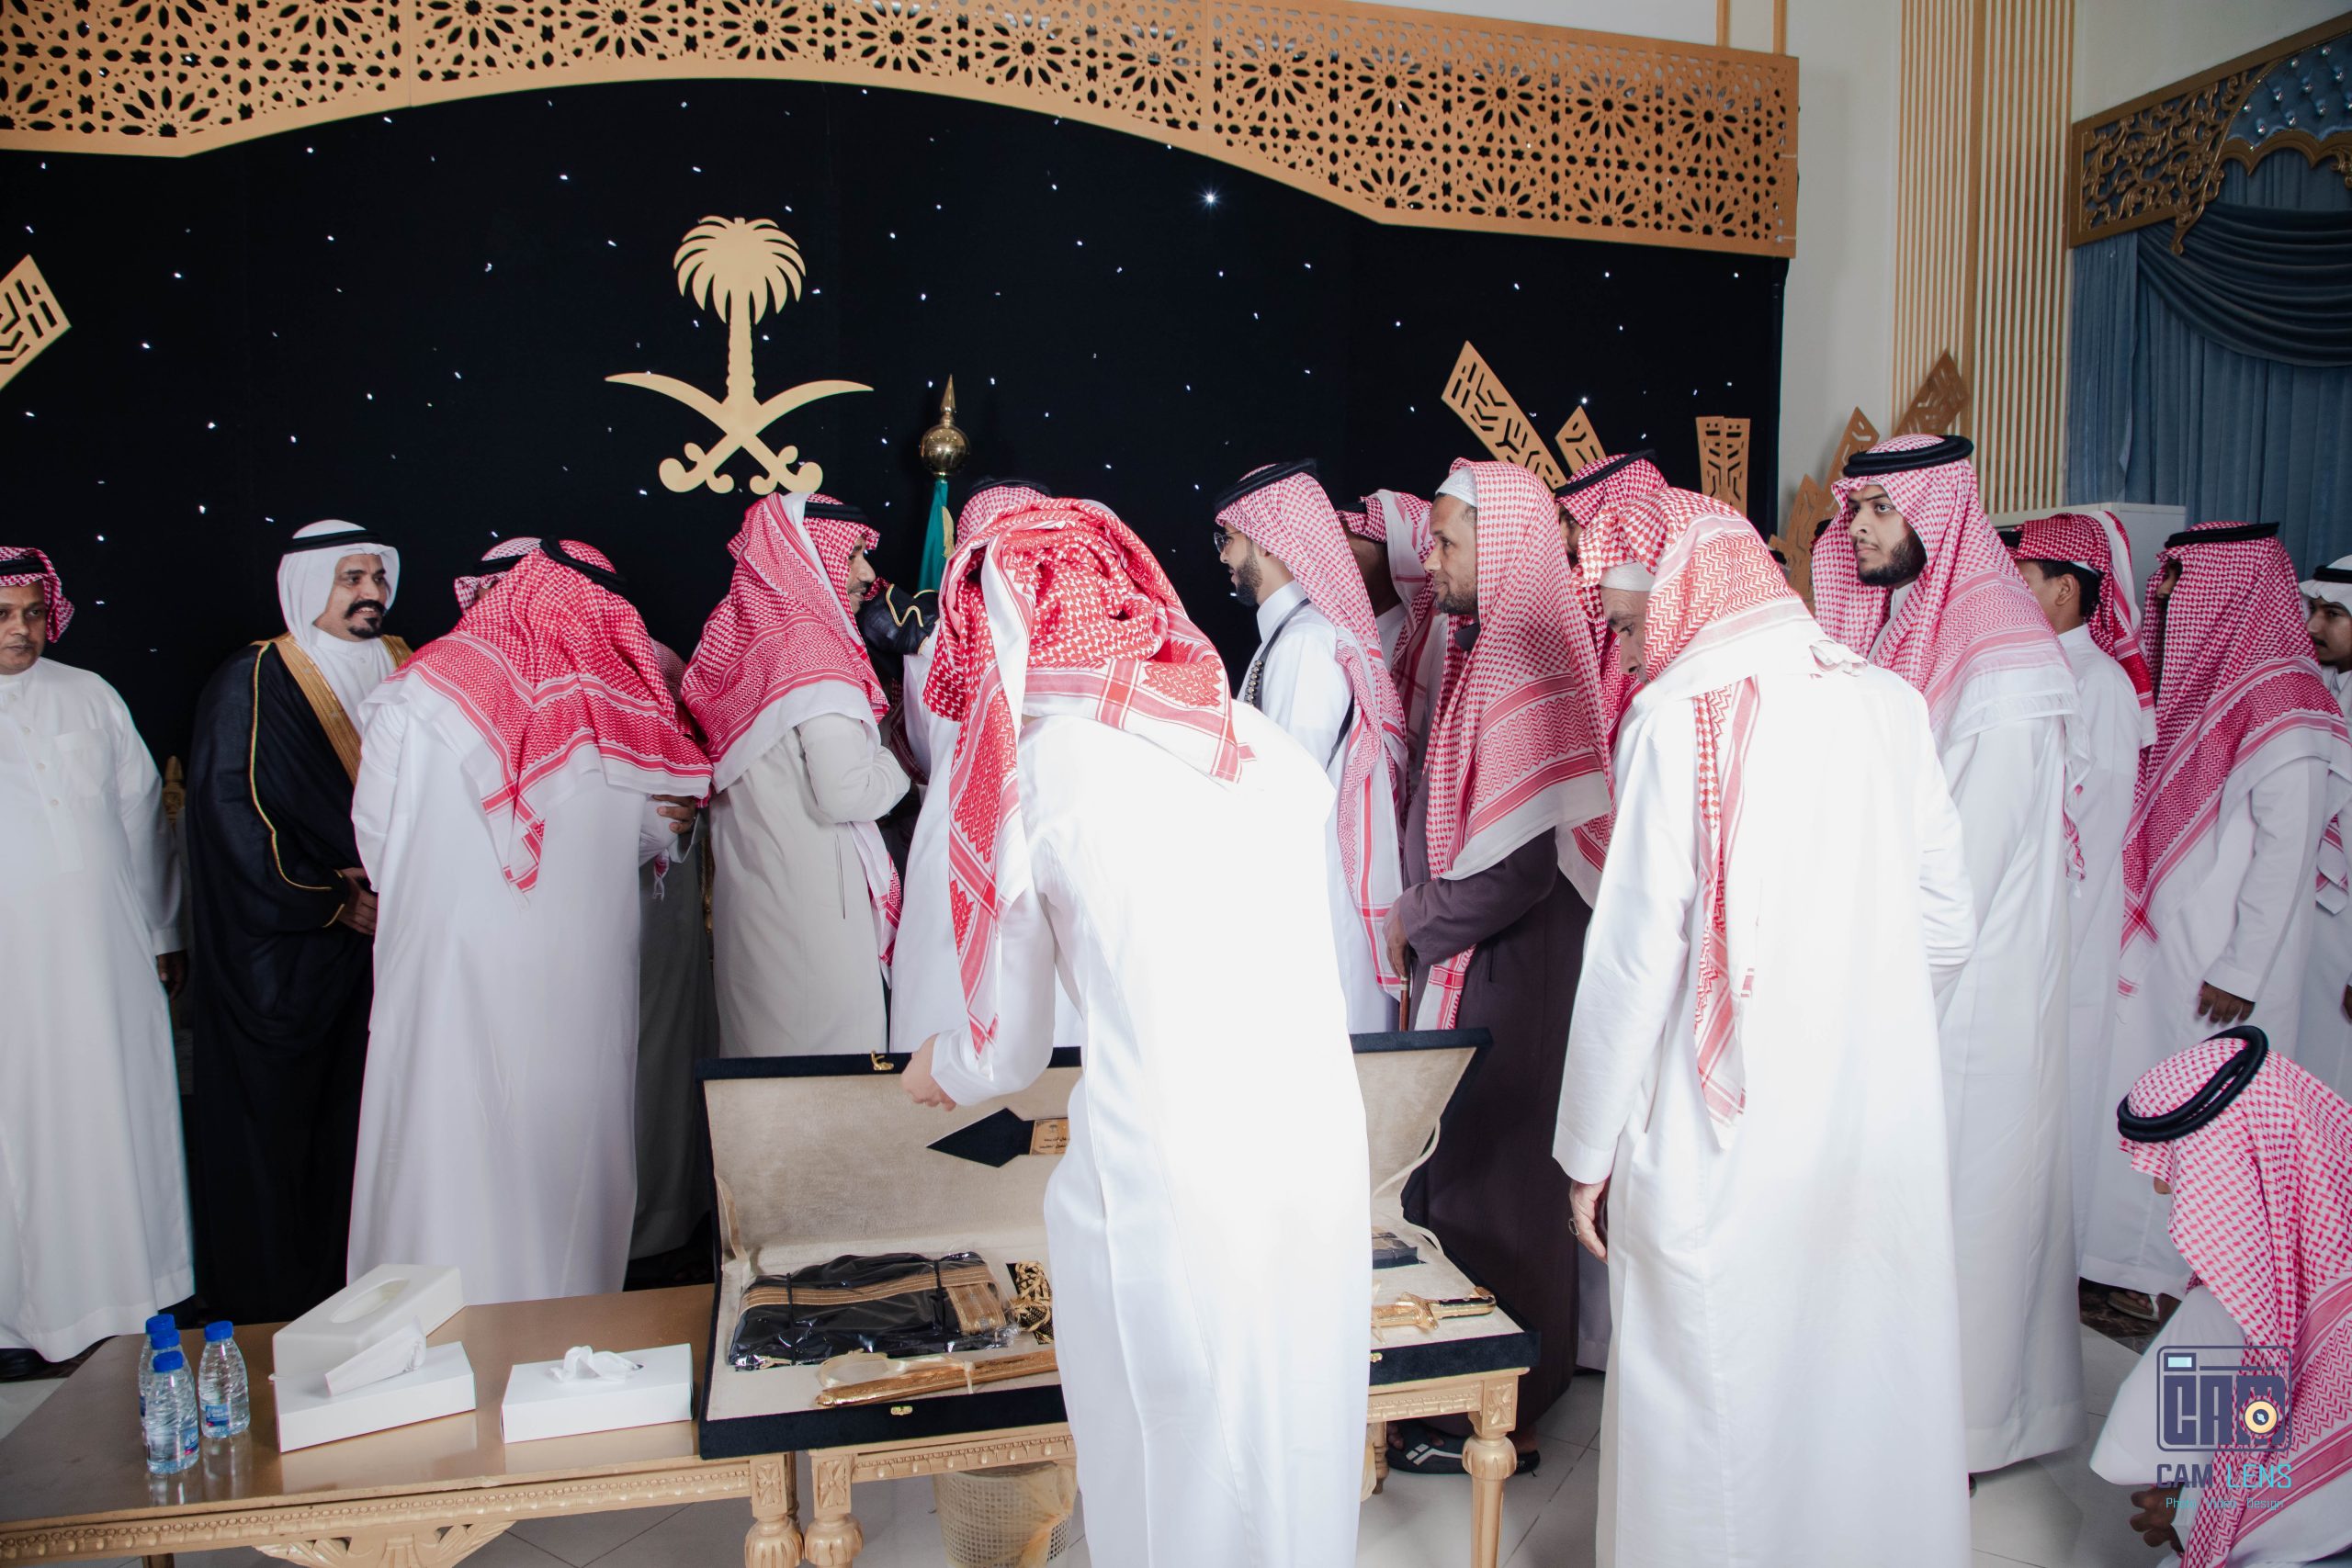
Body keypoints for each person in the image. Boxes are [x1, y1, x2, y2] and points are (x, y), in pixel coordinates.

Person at [898, 498, 1369, 1563]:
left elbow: (1007, 1049)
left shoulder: (1042, 767)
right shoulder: (1249, 740)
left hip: (1169, 1180)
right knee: (1295, 1445)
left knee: (1174, 1482)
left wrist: (939, 1069)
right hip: (1314, 1159)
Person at [1555, 483, 1975, 1567]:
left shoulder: (1674, 719)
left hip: (1721, 1119)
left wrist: (1585, 1150)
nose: (1629, 653)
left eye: (1633, 626)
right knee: (1857, 1357)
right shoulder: (1887, 701)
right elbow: (1948, 925)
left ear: (1688, 595)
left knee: (1713, 1381)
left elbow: (1635, 957)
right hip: (1874, 1110)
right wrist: (1863, 1028)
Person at [1812, 432, 2086, 1471]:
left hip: (1971, 1001)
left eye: (1881, 510)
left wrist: (1877, 1007)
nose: (1859, 528)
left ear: (1940, 513)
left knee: (1968, 1209)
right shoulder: (1911, 630)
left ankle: (1960, 1437)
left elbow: (1960, 878)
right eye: (1856, 510)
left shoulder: (2003, 667)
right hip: (1913, 979)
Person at [347, 539, 707, 1304]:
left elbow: (376, 838)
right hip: (574, 976)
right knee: (560, 1152)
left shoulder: (418, 687)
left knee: (441, 1134)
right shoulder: (617, 705)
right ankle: (560, 1329)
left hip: (444, 964)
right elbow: (655, 828)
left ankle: (426, 1328)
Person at [1382, 458, 1612, 1440]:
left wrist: (1413, 920)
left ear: (1503, 544)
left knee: (1498, 1180)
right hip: (1490, 952)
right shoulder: (1490, 644)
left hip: (1518, 960)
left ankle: (1498, 1413)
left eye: (1447, 542)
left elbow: (1517, 870)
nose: (1430, 560)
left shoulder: (1525, 658)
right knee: (1473, 1175)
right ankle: (1473, 1398)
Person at [2093, 522, 2352, 1315]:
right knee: (2148, 1096)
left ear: (2233, 591)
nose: (2165, 591)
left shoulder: (2287, 702)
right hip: (2176, 939)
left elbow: (2286, 851)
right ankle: (2125, 1263)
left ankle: (2169, 1282)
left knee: (2205, 1122)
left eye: (2181, 576)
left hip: (2226, 959)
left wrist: (2242, 967)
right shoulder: (2207, 685)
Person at [184, 520, 411, 1323]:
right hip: (288, 956)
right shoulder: (254, 678)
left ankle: (373, 1289)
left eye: (377, 577)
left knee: (372, 1123)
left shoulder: (408, 662)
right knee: (286, 1133)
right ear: (310, 584)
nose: (371, 594)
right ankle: (277, 1305)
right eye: (351, 579)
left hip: (388, 947)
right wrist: (328, 897)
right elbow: (230, 814)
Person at [0, 547, 190, 1378]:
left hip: (109, 953)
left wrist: (163, 930)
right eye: (3, 615)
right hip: (13, 968)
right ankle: (20, 1320)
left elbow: (143, 815)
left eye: (33, 613)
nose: (21, 630)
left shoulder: (89, 694)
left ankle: (128, 1295)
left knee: (114, 1106)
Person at [2088, 1030, 2352, 1568]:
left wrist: (2186, 1507)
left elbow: (2136, 1459)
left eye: (2178, 1163)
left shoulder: (2236, 1308)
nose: (2163, 1187)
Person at [684, 493, 908, 1057]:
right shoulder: (812, 650)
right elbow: (846, 793)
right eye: (852, 555)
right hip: (816, 920)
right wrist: (900, 763)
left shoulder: (743, 645)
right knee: (824, 1088)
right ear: (806, 556)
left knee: (762, 1078)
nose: (867, 574)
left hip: (755, 910)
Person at [2003, 512, 2155, 1274]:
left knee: (2061, 1097)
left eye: (2024, 580)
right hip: (2027, 923)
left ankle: (2054, 1266)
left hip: (2068, 923)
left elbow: (2092, 825)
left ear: (2065, 590)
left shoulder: (2100, 684)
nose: (2010, 591)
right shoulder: (2036, 668)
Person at [888, 477, 1082, 1057]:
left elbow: (923, 748)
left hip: (957, 831)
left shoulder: (934, 639)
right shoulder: (1079, 629)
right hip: (1050, 828)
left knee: (948, 1004)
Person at [1215, 460, 1408, 1031]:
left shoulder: (1306, 644)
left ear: (1267, 541)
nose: (1224, 557)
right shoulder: (1293, 637)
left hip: (1317, 920)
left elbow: (1283, 799)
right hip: (1308, 910)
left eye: (1230, 539)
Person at [631, 640, 717, 1262]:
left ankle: (666, 1219)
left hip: (664, 906)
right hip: (594, 912)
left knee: (671, 1048)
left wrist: (682, 814)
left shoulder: (650, 660)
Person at [2297, 554, 2352, 1105]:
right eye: (2314, 609)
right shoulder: (2326, 688)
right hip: (2317, 930)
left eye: (2333, 614)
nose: (2314, 625)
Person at [1337, 502, 1407, 664]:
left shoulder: (1411, 639)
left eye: (1350, 557)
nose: (1336, 569)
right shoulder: (1336, 629)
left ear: (1391, 563)